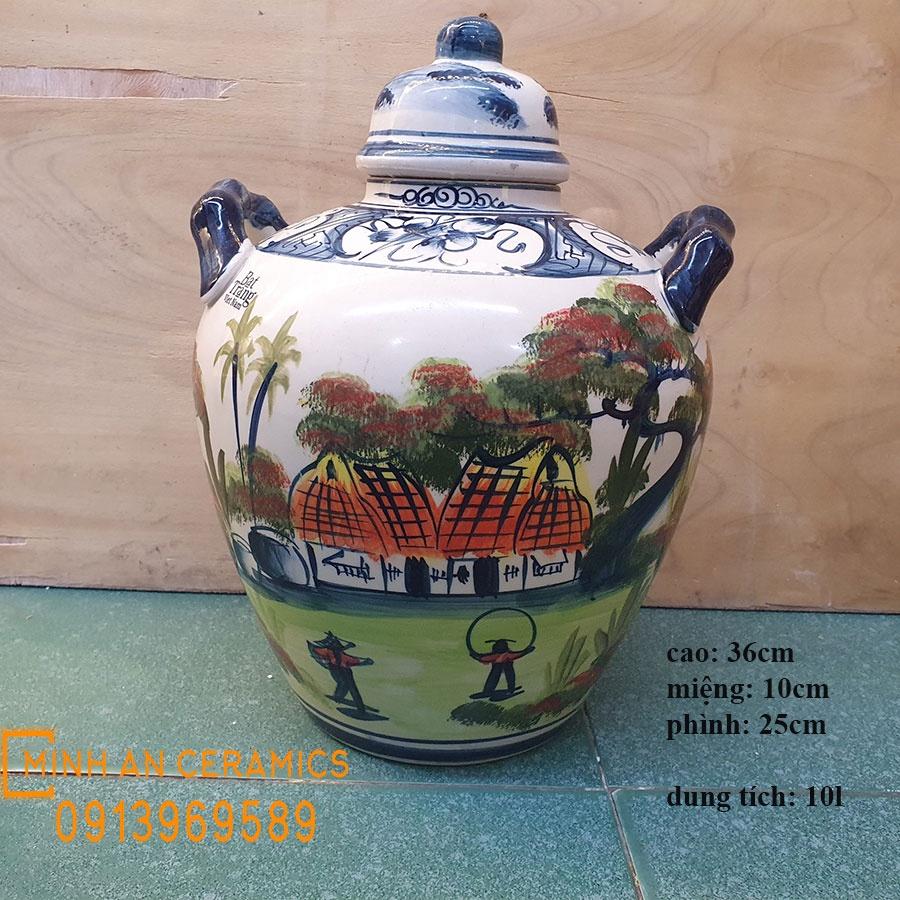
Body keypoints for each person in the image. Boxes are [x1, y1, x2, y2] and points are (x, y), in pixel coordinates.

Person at [307, 632, 377, 714]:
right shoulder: (328, 653)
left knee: (352, 688)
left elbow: (347, 659)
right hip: (337, 670)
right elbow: (338, 654)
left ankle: (360, 708)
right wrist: (349, 647)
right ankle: (339, 698)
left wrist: (364, 662)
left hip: (345, 670)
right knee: (344, 684)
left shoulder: (338, 654)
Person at [469, 638, 534, 700]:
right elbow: (484, 658)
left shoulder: (502, 655)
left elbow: (484, 658)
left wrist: (475, 656)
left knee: (505, 674)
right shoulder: (501, 655)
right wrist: (527, 651)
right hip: (501, 666)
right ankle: (493, 690)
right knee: (500, 674)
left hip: (504, 666)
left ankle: (506, 689)